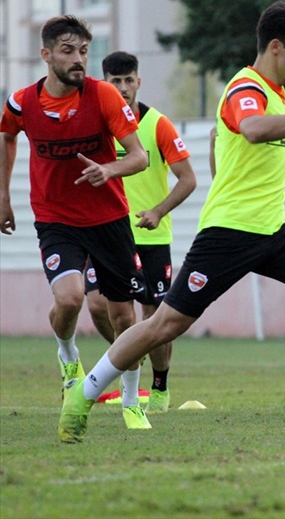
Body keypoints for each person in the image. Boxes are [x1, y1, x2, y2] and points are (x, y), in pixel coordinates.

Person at [58, 0, 285, 443]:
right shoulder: (247, 86)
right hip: (229, 234)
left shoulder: (277, 93)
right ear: (276, 46)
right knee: (164, 325)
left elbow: (237, 143)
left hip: (272, 232)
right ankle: (82, 396)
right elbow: (253, 128)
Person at [0, 15, 151, 430]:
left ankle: (130, 400)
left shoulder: (103, 97)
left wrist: (110, 170)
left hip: (109, 219)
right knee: (69, 299)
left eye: (84, 51)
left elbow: (140, 156)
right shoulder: (22, 102)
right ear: (46, 55)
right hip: (55, 220)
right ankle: (69, 362)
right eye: (68, 51)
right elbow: (7, 135)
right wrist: (3, 196)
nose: (79, 59)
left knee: (123, 317)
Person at [83, 51, 197, 414]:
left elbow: (188, 179)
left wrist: (158, 210)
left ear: (138, 82)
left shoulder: (157, 124)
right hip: (104, 234)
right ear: (105, 84)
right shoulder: (94, 124)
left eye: (128, 80)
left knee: (155, 318)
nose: (122, 88)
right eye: (115, 82)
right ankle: (129, 355)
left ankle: (159, 387)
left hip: (151, 237)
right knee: (98, 305)